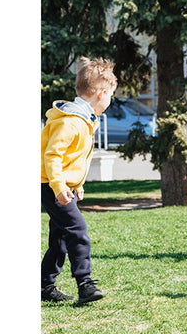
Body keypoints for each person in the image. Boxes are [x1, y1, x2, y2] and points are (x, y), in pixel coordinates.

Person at [41, 57, 117, 303]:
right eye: (110, 96)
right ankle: (85, 283)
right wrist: (60, 187)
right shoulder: (71, 122)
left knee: (60, 237)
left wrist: (76, 185)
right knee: (78, 230)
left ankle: (44, 286)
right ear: (102, 93)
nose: (109, 101)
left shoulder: (82, 120)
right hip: (50, 184)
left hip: (60, 185)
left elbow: (72, 159)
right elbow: (52, 156)